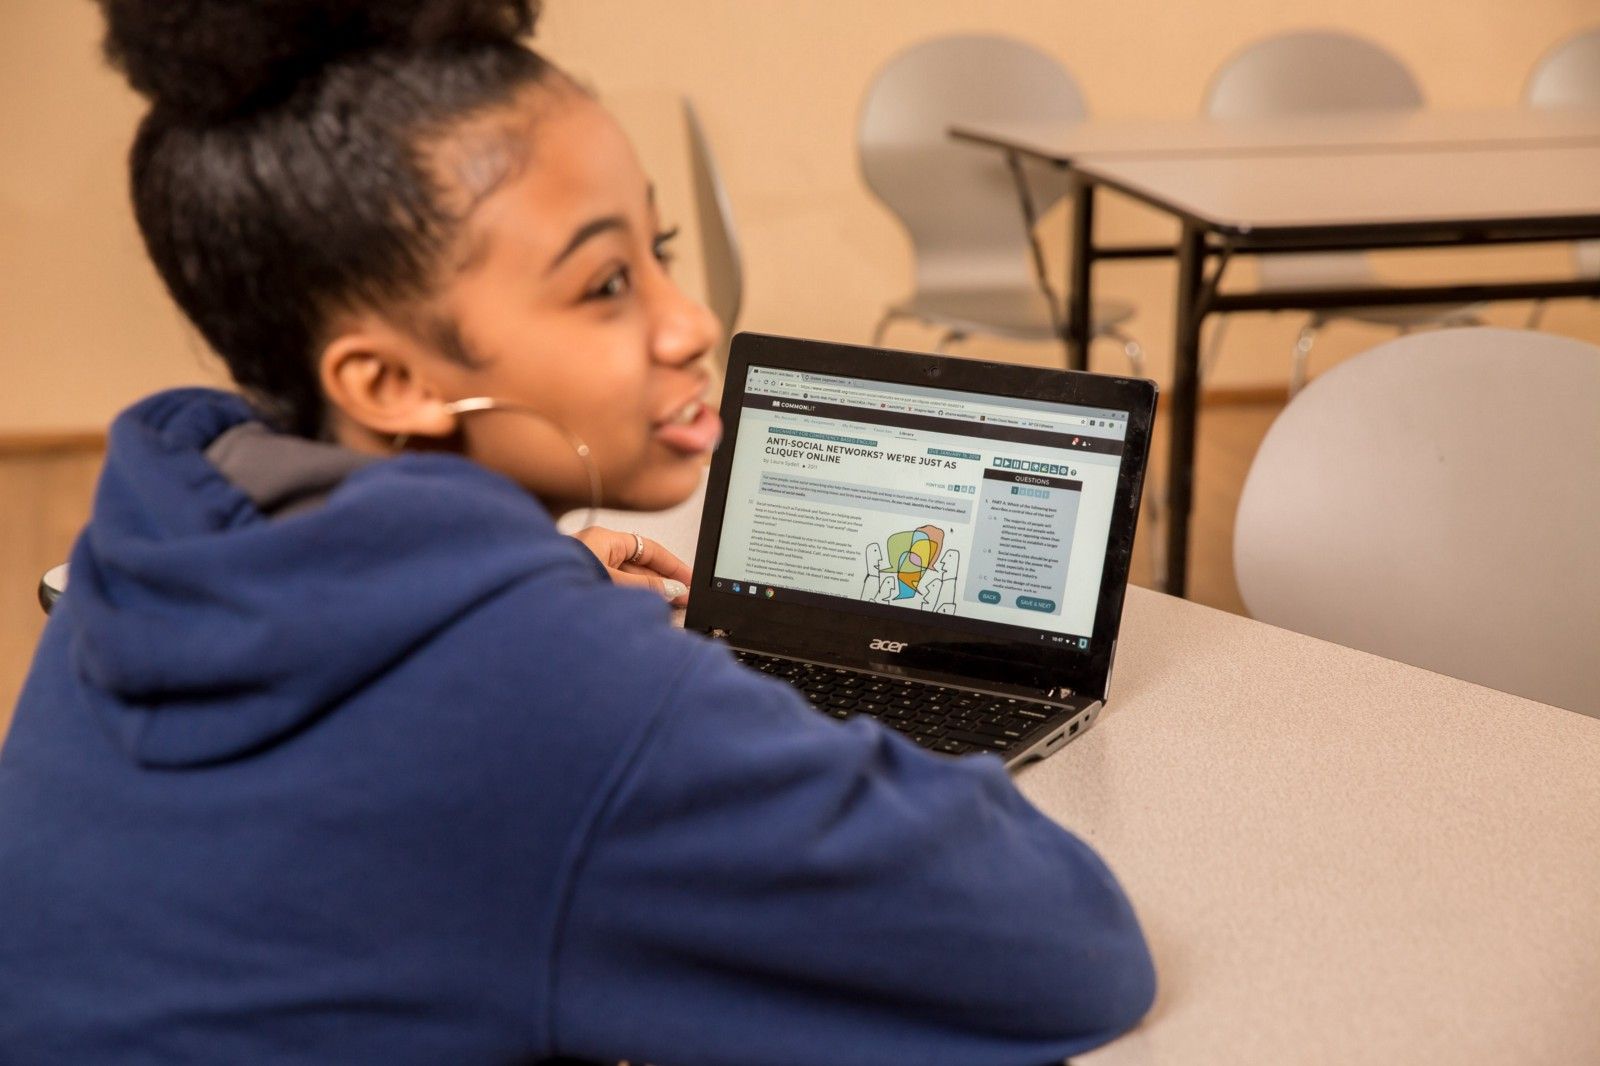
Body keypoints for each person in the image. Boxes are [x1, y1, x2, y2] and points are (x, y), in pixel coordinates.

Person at [0, 2, 1156, 1063]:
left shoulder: (151, 549)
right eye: (606, 284)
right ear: (387, 377)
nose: (690, 321)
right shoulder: (552, 692)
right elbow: (1069, 948)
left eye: (658, 252)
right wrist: (638, 676)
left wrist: (527, 580)